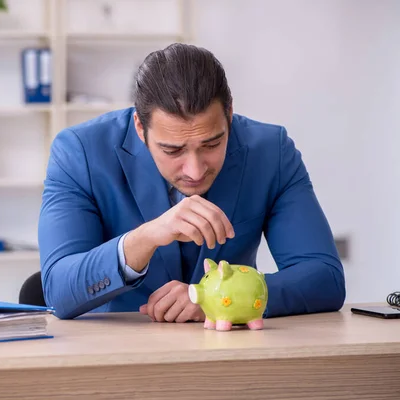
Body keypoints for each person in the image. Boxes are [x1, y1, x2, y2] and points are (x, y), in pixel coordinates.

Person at [37, 43, 346, 322]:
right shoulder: (80, 153)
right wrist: (145, 238)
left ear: (229, 114)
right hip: (117, 357)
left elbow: (325, 278)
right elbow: (59, 291)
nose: (195, 171)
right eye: (173, 150)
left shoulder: (271, 151)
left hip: (232, 356)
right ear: (140, 127)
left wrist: (216, 299)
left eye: (212, 144)